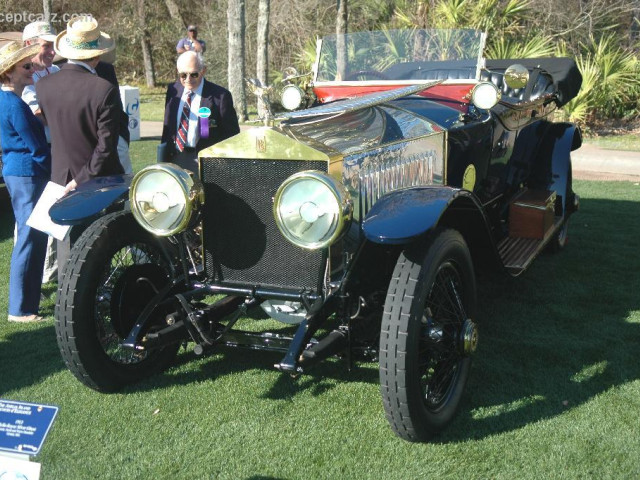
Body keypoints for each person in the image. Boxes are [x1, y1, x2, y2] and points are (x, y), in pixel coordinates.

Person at [36, 16, 123, 283]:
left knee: (67, 250)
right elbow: (105, 146)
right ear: (96, 57)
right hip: (99, 180)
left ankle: (69, 303)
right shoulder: (104, 89)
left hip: (61, 176)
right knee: (101, 246)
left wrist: (72, 179)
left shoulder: (43, 86)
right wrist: (82, 178)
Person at [0, 41, 51, 322]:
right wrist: (57, 172)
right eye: (26, 66)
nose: (32, 69)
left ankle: (27, 302)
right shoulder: (13, 105)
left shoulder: (9, 100)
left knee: (33, 236)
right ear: (8, 72)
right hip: (27, 175)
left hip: (21, 172)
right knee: (29, 238)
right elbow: (37, 148)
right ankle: (19, 308)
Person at [21, 21, 59, 284]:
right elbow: (39, 114)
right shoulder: (22, 75)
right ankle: (31, 275)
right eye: (46, 46)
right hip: (36, 154)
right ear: (29, 45)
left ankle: (51, 271)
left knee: (56, 209)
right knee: (31, 217)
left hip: (59, 150)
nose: (51, 52)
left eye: (52, 46)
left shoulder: (56, 71)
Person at [160, 51, 239, 175]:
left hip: (208, 162)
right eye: (183, 75)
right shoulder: (173, 90)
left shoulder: (220, 96)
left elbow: (232, 135)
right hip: (176, 157)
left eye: (194, 74)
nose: (188, 79)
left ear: (203, 70)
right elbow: (168, 125)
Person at [96, 60, 133, 174]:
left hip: (115, 134)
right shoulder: (61, 69)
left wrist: (122, 137)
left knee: (125, 181)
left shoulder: (106, 69)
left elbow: (116, 104)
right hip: (85, 140)